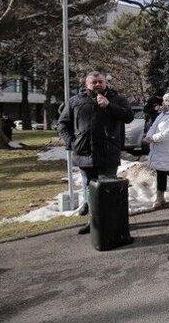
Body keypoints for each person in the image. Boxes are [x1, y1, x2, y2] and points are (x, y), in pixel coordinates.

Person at [58, 71, 134, 235]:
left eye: (101, 81)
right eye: (94, 82)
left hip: (108, 152)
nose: (98, 84)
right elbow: (63, 124)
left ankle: (110, 221)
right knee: (88, 189)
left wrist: (109, 105)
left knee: (108, 189)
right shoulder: (75, 101)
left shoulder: (117, 99)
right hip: (84, 153)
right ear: (87, 85)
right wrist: (71, 142)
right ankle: (94, 223)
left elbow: (129, 116)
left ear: (105, 83)